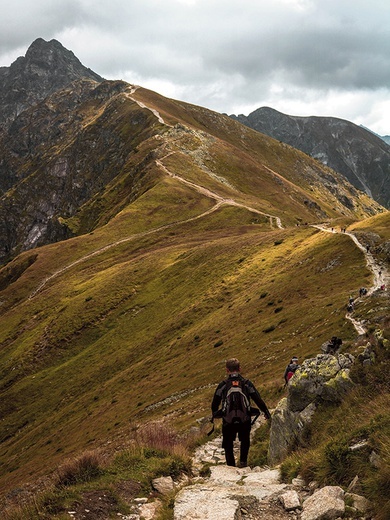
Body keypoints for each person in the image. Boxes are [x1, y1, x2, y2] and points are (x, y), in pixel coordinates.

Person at [211, 358, 271, 468]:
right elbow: (258, 399)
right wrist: (266, 412)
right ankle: (243, 463)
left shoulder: (223, 385)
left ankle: (230, 466)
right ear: (239, 369)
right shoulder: (246, 384)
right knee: (245, 440)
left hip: (228, 420)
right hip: (245, 419)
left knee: (228, 443)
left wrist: (216, 414)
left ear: (227, 370)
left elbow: (214, 403)